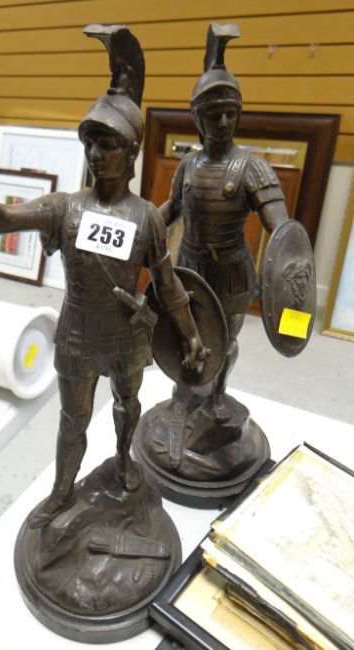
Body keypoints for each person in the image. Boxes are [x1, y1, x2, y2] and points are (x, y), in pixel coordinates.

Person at [0, 25, 207, 529]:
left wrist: (190, 334)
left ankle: (123, 459)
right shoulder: (64, 208)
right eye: (90, 143)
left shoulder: (146, 217)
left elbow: (166, 284)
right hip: (77, 332)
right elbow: (2, 216)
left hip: (127, 332)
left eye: (107, 144)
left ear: (131, 151)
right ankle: (62, 490)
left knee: (127, 403)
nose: (95, 154)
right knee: (72, 420)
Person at [160, 23, 289, 423]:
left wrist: (287, 265)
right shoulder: (188, 166)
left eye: (231, 113)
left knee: (226, 339)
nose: (224, 121)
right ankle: (184, 394)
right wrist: (141, 227)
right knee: (186, 332)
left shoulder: (252, 168)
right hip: (190, 267)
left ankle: (217, 394)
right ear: (197, 118)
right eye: (214, 114)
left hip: (232, 272)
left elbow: (282, 230)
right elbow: (172, 209)